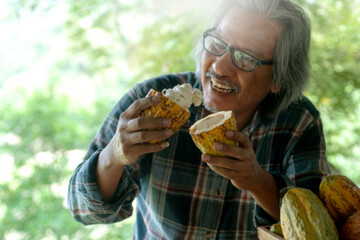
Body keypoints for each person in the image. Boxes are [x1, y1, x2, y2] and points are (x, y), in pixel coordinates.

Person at [68, 0, 331, 239]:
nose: (219, 67)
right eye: (217, 44)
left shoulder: (299, 122)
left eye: (245, 58)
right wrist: (114, 155)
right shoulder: (150, 102)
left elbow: (318, 228)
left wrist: (257, 180)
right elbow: (83, 209)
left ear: (278, 79)